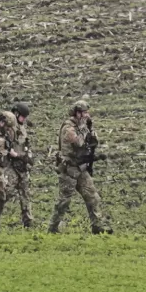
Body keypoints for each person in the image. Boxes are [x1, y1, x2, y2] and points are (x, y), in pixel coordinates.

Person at [48, 100, 112, 234]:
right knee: (64, 202)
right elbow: (79, 143)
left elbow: (93, 142)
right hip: (69, 169)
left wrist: (90, 128)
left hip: (81, 168)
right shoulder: (68, 128)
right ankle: (53, 228)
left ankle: (98, 226)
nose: (87, 115)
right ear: (77, 113)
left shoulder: (82, 126)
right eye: (84, 113)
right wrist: (84, 128)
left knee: (92, 196)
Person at [6, 102, 34, 228]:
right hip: (11, 165)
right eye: (23, 116)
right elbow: (5, 147)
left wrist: (28, 157)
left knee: (25, 193)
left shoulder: (22, 129)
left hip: (22, 165)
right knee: (6, 192)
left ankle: (28, 220)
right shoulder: (8, 128)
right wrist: (14, 155)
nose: (24, 119)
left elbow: (25, 145)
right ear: (16, 114)